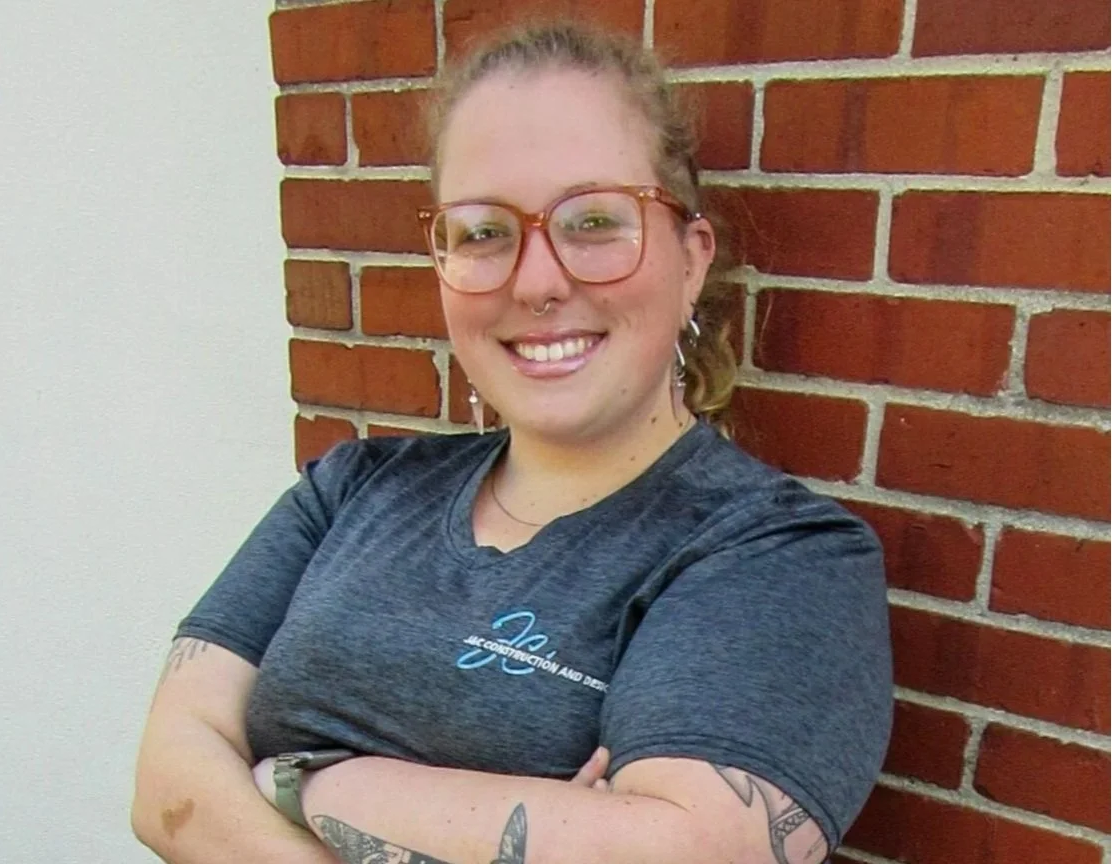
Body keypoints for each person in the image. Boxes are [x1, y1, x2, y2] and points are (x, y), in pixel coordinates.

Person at [132, 20, 892, 864]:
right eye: (484, 231)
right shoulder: (350, 489)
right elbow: (168, 782)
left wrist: (303, 781)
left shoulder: (773, 553)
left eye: (594, 221)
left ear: (690, 259)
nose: (536, 281)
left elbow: (685, 854)